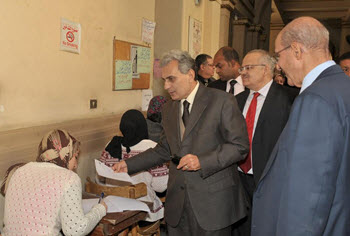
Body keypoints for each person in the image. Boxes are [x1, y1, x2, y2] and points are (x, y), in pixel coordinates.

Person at [113, 49, 249, 236]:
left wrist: (203, 161)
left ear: (190, 74)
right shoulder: (169, 108)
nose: (167, 86)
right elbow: (163, 149)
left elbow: (239, 147)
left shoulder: (221, 101)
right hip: (178, 202)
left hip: (213, 204)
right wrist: (127, 164)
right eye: (164, 81)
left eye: (171, 79)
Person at [251, 16, 350, 236]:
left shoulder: (316, 99)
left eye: (278, 55)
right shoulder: (342, 87)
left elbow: (310, 195)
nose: (277, 65)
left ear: (296, 50)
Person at [233, 49, 296, 236]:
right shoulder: (237, 100)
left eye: (249, 67)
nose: (243, 72)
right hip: (238, 177)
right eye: (242, 68)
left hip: (270, 180)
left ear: (266, 69)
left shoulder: (289, 99)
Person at [2, 129, 107, 236]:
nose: (75, 164)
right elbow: (75, 230)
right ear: (66, 153)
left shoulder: (20, 171)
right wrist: (100, 209)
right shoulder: (69, 178)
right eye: (75, 156)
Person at [100, 109, 168, 222]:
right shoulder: (153, 149)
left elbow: (100, 180)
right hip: (144, 213)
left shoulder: (111, 145)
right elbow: (161, 186)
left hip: (114, 210)